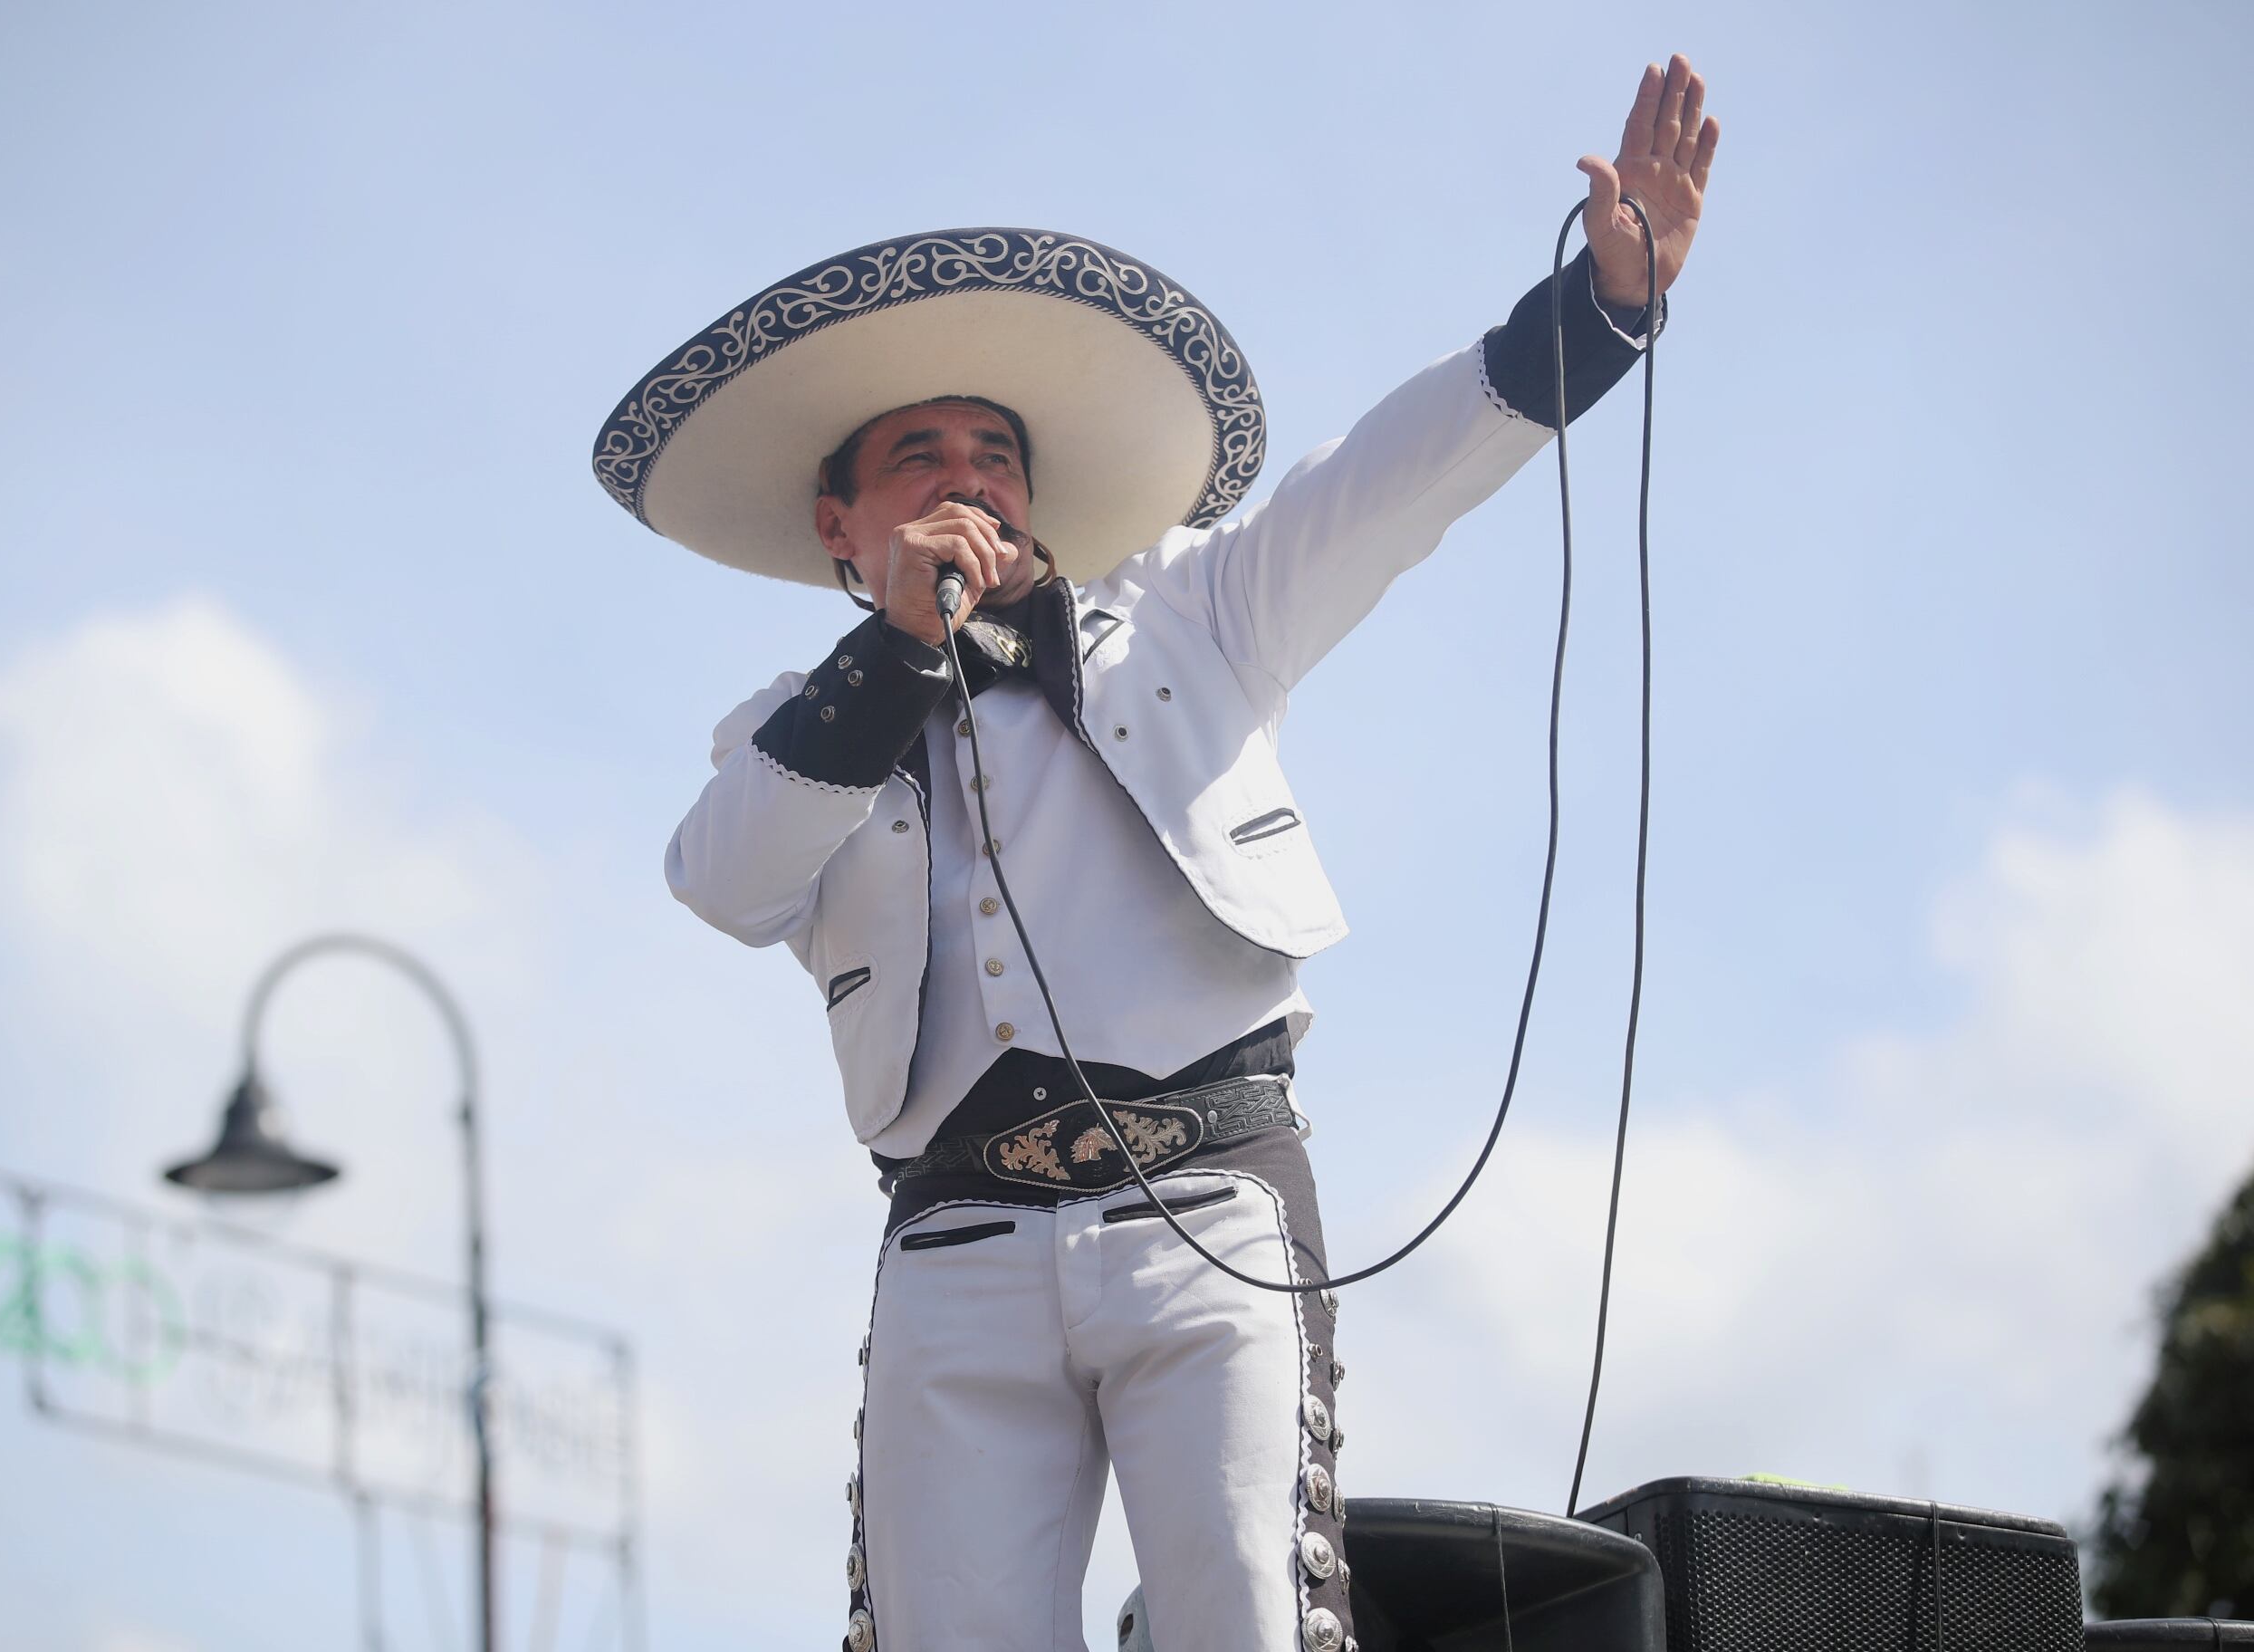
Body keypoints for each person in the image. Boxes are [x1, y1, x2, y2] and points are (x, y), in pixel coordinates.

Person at [593, 55, 1717, 1652]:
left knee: (1248, 1619)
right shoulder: (803, 724)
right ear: (840, 526)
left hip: (1207, 1202)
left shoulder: (1193, 612)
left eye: (992, 450)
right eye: (918, 455)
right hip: (954, 1239)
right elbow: (720, 880)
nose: (967, 477)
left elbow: (1394, 479)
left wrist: (1600, 308)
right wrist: (892, 657)